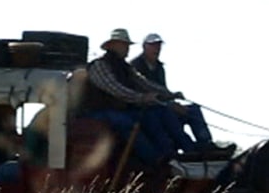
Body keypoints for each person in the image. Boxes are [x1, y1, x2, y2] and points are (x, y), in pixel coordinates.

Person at [82, 28, 195, 166]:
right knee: (126, 122)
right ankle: (153, 160)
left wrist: (169, 94)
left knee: (155, 114)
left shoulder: (125, 67)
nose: (127, 49)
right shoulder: (99, 65)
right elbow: (116, 89)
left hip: (119, 109)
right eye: (124, 45)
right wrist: (142, 98)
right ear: (113, 46)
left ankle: (181, 152)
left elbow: (144, 83)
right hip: (98, 112)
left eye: (128, 45)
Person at [131, 33, 230, 158]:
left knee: (193, 109)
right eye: (153, 45)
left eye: (158, 46)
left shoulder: (160, 68)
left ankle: (206, 144)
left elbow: (162, 90)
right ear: (144, 46)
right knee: (169, 114)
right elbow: (145, 92)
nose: (157, 49)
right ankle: (189, 149)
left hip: (163, 105)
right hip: (148, 109)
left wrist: (173, 96)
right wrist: (169, 103)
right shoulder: (135, 66)